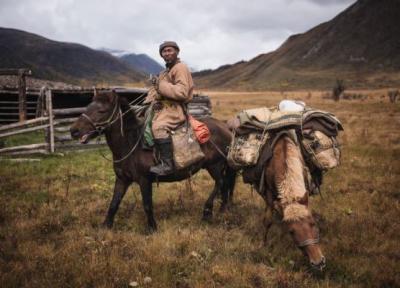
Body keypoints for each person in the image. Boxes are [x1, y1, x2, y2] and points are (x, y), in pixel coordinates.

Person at [144, 41, 194, 175]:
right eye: (164, 51)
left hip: (175, 109)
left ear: (177, 52)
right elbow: (157, 91)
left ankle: (167, 164)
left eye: (170, 50)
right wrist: (151, 100)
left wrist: (160, 85)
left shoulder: (180, 68)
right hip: (163, 108)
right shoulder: (165, 72)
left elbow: (181, 92)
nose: (167, 53)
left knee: (158, 127)